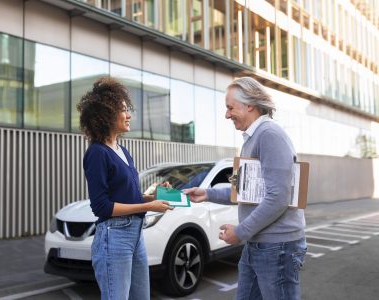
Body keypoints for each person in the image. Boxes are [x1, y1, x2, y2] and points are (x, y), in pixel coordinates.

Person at [183, 77, 307, 300]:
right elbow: (246, 191)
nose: (227, 114)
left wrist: (240, 232)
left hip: (277, 247)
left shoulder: (269, 135)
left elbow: (278, 197)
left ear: (249, 105)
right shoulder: (253, 138)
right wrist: (207, 193)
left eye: (230, 108)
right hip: (259, 245)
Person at [78, 77, 172, 300]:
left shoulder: (123, 151)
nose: (129, 115)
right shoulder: (97, 153)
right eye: (123, 110)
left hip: (135, 235)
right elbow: (101, 206)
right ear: (107, 115)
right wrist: (149, 205)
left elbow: (128, 197)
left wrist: (153, 196)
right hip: (114, 236)